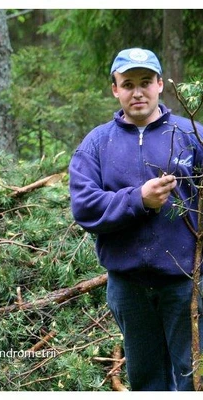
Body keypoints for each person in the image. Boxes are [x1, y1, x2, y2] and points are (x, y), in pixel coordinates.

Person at [69, 48, 203, 391]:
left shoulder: (191, 136)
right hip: (128, 285)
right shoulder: (97, 144)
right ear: (115, 89)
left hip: (185, 283)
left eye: (146, 82)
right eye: (128, 84)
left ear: (160, 84)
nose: (138, 92)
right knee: (145, 380)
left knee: (192, 376)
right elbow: (85, 207)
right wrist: (138, 199)